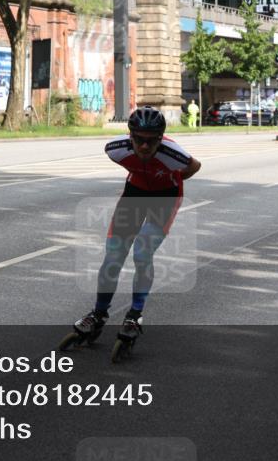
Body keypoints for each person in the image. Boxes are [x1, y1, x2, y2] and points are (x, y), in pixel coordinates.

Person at [71, 106, 202, 344]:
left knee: (142, 253)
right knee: (113, 256)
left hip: (166, 197)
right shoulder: (116, 150)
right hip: (135, 193)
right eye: (139, 140)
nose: (144, 146)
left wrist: (169, 177)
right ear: (130, 136)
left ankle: (134, 315)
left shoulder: (173, 154)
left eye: (151, 142)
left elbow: (194, 167)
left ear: (160, 140)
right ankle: (98, 314)